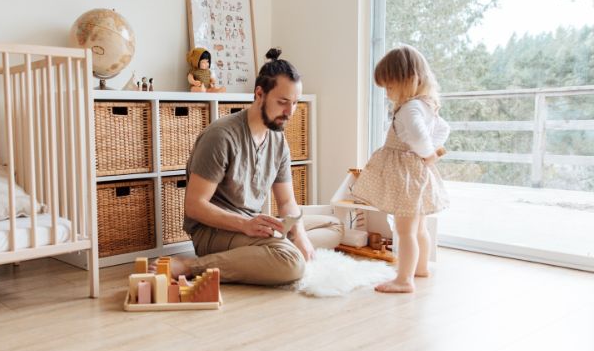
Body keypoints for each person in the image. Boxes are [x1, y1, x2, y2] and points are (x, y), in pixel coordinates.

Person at [163, 48, 315, 286]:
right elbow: (194, 207)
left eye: (295, 103)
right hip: (213, 230)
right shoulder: (221, 136)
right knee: (291, 262)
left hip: (250, 223)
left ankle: (277, 248)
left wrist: (302, 237)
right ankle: (190, 266)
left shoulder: (278, 140)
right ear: (259, 94)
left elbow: (286, 202)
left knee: (329, 224)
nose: (290, 112)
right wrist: (245, 225)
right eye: (283, 102)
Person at [352, 45, 450, 293]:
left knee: (403, 230)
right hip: (417, 173)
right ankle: (421, 268)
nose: (387, 93)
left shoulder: (411, 108)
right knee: (418, 228)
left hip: (406, 174)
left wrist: (427, 151)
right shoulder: (427, 105)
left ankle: (404, 279)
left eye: (390, 87)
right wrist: (432, 151)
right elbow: (444, 129)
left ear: (410, 80)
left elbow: (417, 134)